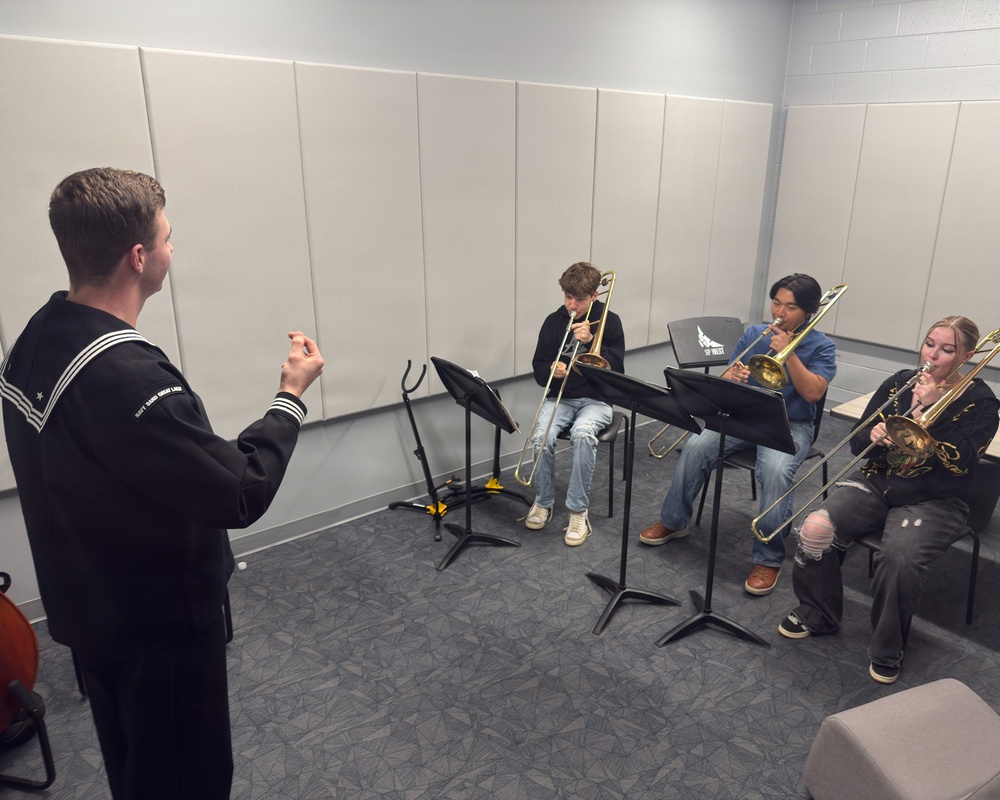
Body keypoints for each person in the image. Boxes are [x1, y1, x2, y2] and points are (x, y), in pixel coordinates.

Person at [0, 168, 324, 800]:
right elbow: (239, 489)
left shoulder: (37, 338)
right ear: (139, 256)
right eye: (168, 238)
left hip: (93, 609)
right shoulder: (128, 377)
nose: (173, 250)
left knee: (136, 768)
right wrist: (289, 398)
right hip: (159, 628)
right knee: (186, 779)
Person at [778, 316, 998, 685]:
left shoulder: (981, 402)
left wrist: (931, 411)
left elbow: (961, 465)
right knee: (815, 529)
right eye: (930, 344)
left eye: (947, 350)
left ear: (968, 356)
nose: (933, 355)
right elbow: (857, 444)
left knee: (899, 560)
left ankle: (886, 647)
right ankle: (818, 614)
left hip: (938, 498)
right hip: (881, 481)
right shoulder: (899, 382)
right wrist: (874, 436)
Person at [639, 273, 837, 595]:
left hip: (791, 423)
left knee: (774, 470)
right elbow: (727, 380)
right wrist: (732, 376)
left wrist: (791, 354)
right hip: (745, 414)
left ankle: (768, 559)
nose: (780, 312)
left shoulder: (823, 346)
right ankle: (674, 522)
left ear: (808, 312)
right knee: (696, 445)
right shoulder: (755, 334)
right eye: (776, 303)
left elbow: (813, 394)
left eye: (790, 307)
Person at [523, 262, 625, 546]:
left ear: (594, 296)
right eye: (567, 296)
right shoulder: (554, 321)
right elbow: (538, 368)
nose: (572, 304)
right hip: (561, 397)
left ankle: (578, 511)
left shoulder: (610, 320)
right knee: (542, 436)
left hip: (597, 399)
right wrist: (550, 370)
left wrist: (593, 342)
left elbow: (618, 371)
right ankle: (543, 501)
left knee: (582, 434)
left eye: (579, 299)